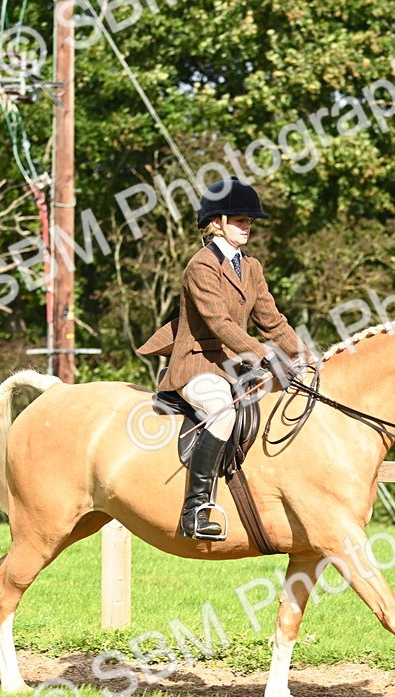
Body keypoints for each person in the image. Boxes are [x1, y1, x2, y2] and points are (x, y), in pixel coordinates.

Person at [137, 177, 304, 540]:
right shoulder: (201, 266)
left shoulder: (252, 267)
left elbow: (271, 319)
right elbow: (219, 323)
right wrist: (262, 355)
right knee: (222, 409)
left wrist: (301, 357)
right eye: (239, 219)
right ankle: (195, 510)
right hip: (198, 363)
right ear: (217, 223)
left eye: (249, 221)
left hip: (236, 365)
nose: (247, 226)